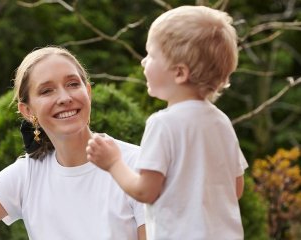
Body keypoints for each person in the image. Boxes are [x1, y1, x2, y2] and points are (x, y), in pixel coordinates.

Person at [0, 46, 146, 240]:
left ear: (88, 92)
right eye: (47, 90)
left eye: (72, 84)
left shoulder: (137, 164)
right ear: (28, 111)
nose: (64, 97)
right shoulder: (28, 174)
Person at [86, 5, 248, 240]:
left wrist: (112, 163)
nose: (143, 62)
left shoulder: (163, 124)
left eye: (151, 55)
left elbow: (145, 191)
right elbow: (236, 188)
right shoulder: (221, 121)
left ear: (179, 73)